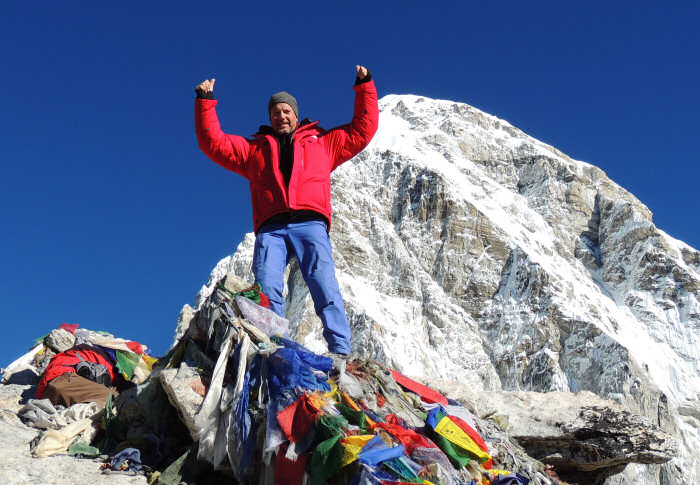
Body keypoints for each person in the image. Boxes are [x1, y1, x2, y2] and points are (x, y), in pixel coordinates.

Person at [195, 65, 378, 356]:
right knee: (267, 291)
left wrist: (364, 86)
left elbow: (361, 130)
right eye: (275, 112)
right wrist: (205, 103)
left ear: (295, 114)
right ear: (270, 117)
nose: (281, 116)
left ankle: (340, 350)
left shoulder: (322, 142)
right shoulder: (254, 149)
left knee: (323, 284)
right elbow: (214, 143)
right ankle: (273, 347)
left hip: (310, 223)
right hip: (271, 228)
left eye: (286, 111)